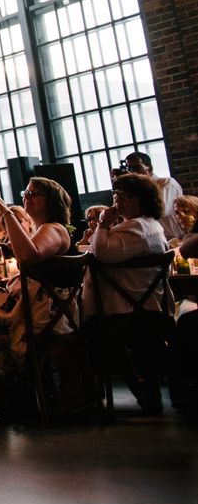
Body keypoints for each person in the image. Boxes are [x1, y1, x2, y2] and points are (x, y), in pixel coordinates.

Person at [82, 172, 170, 414]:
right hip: (146, 306)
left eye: (124, 197)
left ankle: (90, 394)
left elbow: (101, 253)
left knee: (84, 333)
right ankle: (144, 389)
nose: (117, 201)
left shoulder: (136, 228)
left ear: (141, 200)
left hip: (125, 309)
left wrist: (102, 224)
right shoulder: (151, 225)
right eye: (115, 195)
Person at [0, 178, 74, 375]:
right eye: (25, 193)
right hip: (35, 302)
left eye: (33, 194)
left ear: (52, 201)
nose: (27, 197)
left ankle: (3, 392)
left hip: (42, 308)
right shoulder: (42, 230)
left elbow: (29, 255)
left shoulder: (52, 228)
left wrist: (7, 212)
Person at [123, 152, 183, 240]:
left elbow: (160, 211)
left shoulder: (167, 183)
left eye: (136, 168)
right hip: (152, 240)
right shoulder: (136, 190)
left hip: (174, 238)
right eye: (129, 169)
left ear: (150, 168)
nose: (132, 172)